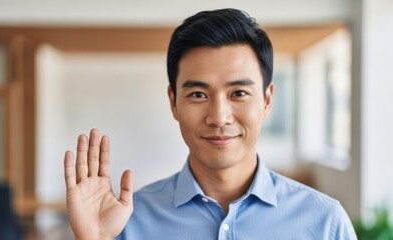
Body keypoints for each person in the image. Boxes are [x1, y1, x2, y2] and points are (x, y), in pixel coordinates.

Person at [64, 8, 357, 240]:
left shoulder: (325, 223)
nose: (219, 117)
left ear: (267, 100)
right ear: (173, 102)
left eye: (239, 93)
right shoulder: (126, 222)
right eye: (198, 94)